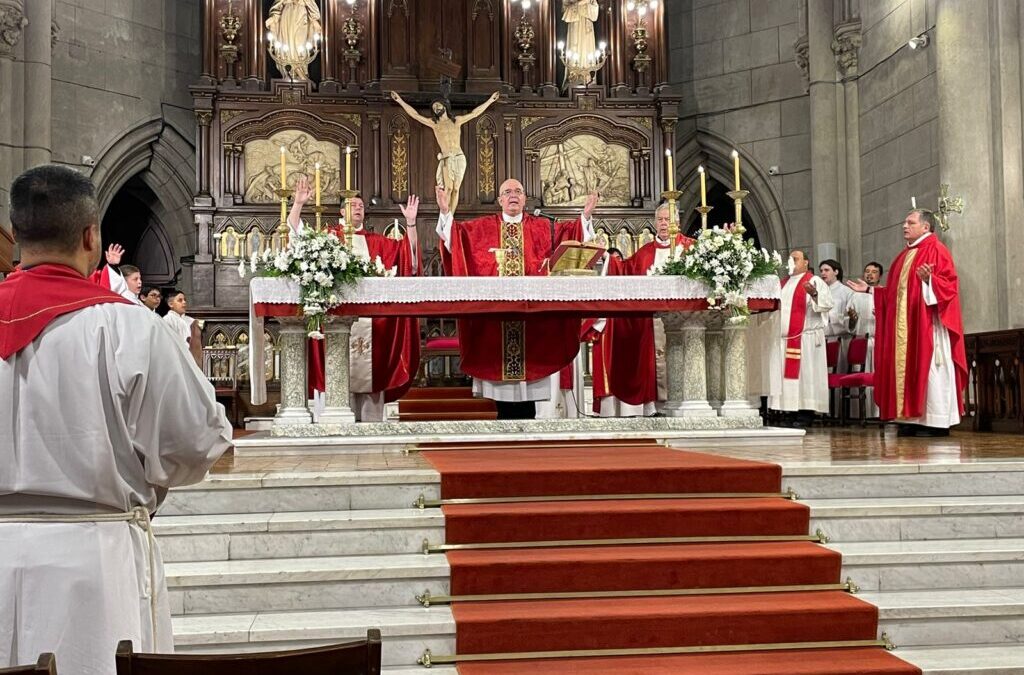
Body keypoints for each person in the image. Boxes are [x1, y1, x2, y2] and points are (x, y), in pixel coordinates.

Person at [0, 164, 233, 675]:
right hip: (95, 566)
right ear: (91, 236)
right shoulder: (129, 329)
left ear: (16, 235)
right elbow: (200, 441)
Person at [435, 179, 599, 419]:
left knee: (530, 384)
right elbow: (455, 240)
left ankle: (527, 431)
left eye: (518, 192)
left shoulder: (545, 227)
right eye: (507, 192)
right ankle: (504, 428)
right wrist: (445, 212)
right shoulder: (481, 228)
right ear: (500, 200)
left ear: (524, 199)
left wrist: (584, 216)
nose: (513, 196)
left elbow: (572, 238)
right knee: (503, 394)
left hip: (532, 324)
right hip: (496, 324)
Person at [288, 176, 420, 421]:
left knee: (373, 379)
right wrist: (298, 204)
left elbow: (407, 260)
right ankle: (334, 424)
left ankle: (372, 430)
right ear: (341, 211)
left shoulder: (378, 242)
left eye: (361, 205)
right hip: (336, 322)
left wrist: (410, 224)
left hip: (374, 327)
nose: (358, 208)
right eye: (352, 204)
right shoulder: (327, 239)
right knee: (337, 378)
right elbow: (297, 236)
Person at [847, 210, 967, 437]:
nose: (904, 226)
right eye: (904, 222)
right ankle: (911, 418)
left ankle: (935, 421)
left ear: (926, 227)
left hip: (927, 326)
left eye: (910, 222)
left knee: (929, 369)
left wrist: (930, 280)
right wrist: (871, 290)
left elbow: (950, 286)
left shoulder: (937, 249)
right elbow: (895, 294)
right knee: (908, 369)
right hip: (906, 329)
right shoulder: (903, 257)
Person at [594, 205, 696, 416]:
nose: (664, 224)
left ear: (677, 221)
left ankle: (687, 402)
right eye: (660, 219)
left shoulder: (690, 248)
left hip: (686, 320)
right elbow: (624, 270)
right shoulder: (645, 253)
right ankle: (653, 407)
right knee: (652, 362)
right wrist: (607, 258)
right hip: (653, 322)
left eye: (668, 219)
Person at [391, 90, 500, 217]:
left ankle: (450, 217)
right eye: (434, 108)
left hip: (459, 157)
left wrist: (491, 100)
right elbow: (414, 115)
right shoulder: (434, 123)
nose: (436, 108)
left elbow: (475, 113)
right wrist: (399, 100)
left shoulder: (456, 121)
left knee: (456, 189)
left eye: (438, 105)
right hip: (447, 158)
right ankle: (445, 215)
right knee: (448, 188)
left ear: (444, 106)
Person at [768, 250, 834, 426]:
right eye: (790, 259)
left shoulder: (814, 281)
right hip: (785, 339)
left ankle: (805, 413)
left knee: (806, 377)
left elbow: (827, 304)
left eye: (795, 259)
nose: (792, 262)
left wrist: (814, 294)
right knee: (787, 379)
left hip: (806, 339)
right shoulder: (782, 284)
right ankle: (788, 412)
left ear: (806, 262)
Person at [846, 261, 883, 417]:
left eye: (874, 271)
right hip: (861, 342)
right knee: (860, 377)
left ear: (880, 275)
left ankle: (879, 412)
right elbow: (849, 321)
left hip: (879, 342)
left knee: (879, 378)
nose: (869, 274)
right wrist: (852, 319)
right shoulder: (855, 295)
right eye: (867, 271)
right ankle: (861, 414)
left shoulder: (884, 292)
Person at [820, 259, 853, 376]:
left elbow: (851, 317)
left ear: (836, 272)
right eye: (821, 271)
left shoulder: (847, 292)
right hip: (822, 338)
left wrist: (830, 315)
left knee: (837, 373)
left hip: (839, 339)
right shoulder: (820, 292)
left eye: (826, 270)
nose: (823, 273)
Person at [163, 290, 203, 368]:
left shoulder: (191, 320)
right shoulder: (167, 320)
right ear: (171, 304)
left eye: (185, 300)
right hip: (176, 360)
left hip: (192, 359)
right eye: (180, 300)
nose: (184, 302)